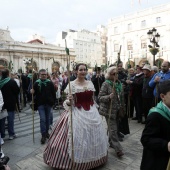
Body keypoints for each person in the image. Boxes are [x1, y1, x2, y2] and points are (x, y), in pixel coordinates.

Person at [43, 63, 108, 169]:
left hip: (91, 112)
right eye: (80, 70)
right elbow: (68, 103)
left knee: (92, 136)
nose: (83, 72)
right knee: (76, 136)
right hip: (76, 112)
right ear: (76, 71)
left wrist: (96, 109)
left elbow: (92, 99)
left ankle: (94, 159)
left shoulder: (90, 83)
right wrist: (69, 101)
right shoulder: (71, 84)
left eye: (84, 70)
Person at [140, 80, 170, 170]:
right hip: (158, 160)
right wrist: (166, 145)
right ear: (162, 96)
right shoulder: (155, 115)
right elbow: (146, 139)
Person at [98, 66, 124, 157]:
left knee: (114, 128)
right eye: (114, 74)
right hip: (108, 111)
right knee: (113, 130)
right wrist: (109, 97)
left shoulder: (119, 83)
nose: (116, 75)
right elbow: (100, 98)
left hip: (117, 110)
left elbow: (121, 97)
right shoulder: (106, 84)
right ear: (109, 74)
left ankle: (111, 142)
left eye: (117, 73)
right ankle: (118, 149)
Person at [30, 69, 56, 144]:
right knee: (42, 119)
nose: (44, 76)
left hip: (48, 104)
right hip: (40, 104)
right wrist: (32, 92)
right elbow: (33, 94)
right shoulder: (36, 83)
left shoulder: (50, 83)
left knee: (48, 119)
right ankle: (43, 134)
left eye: (45, 74)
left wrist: (53, 102)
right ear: (39, 75)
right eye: (42, 74)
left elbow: (53, 93)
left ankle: (47, 132)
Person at [0, 69, 20, 140]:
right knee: (10, 120)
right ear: (8, 74)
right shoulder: (12, 81)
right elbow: (17, 91)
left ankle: (2, 135)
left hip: (2, 104)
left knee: (2, 121)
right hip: (11, 103)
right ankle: (11, 134)